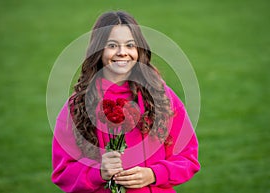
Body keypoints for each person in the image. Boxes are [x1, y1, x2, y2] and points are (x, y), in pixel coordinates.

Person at [51, 11, 200, 193]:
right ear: (98, 50)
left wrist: (154, 174)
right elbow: (63, 171)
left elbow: (188, 158)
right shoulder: (78, 106)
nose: (122, 52)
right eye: (112, 45)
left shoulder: (162, 97)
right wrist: (97, 172)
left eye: (130, 45)